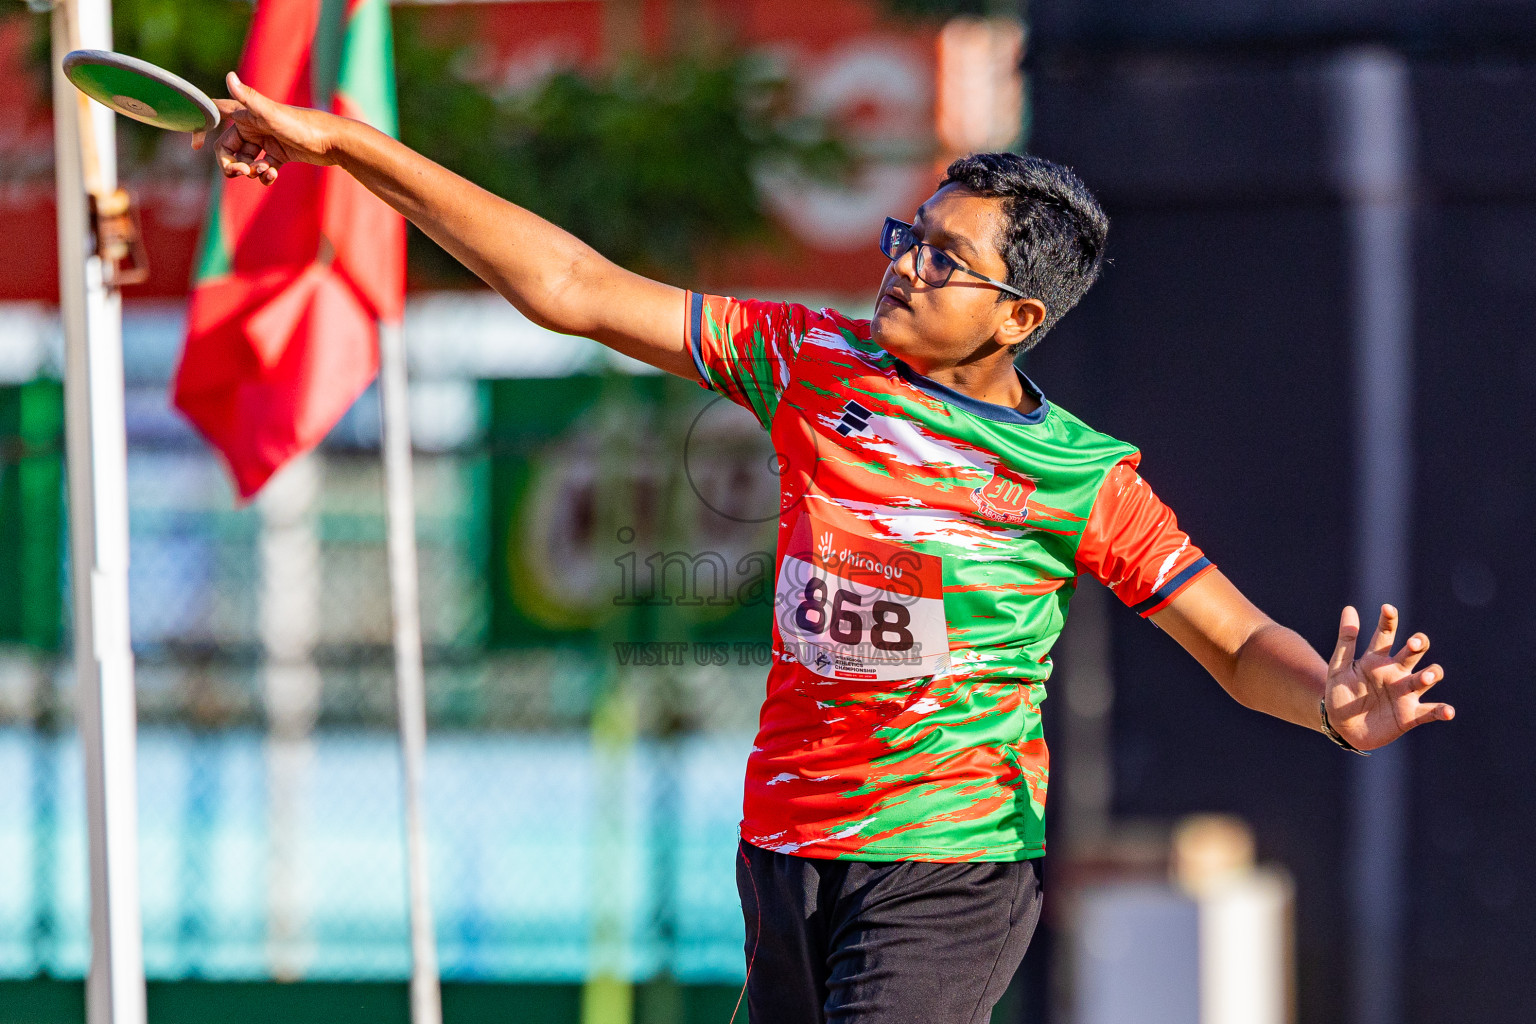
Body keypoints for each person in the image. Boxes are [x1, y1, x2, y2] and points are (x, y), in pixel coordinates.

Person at [202, 70, 1454, 1023]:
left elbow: (1235, 644)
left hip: (950, 869)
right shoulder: (807, 362)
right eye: (907, 234)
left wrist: (1332, 705)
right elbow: (572, 285)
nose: (903, 263)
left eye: (941, 258)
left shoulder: (1080, 475)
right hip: (787, 849)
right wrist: (345, 146)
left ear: (1016, 315)